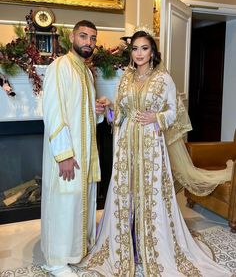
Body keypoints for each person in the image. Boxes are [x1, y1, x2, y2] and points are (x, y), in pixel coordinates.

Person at [76, 30, 232, 276]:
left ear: (152, 52)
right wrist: (109, 107)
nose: (139, 53)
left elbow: (175, 113)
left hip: (151, 144)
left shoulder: (163, 79)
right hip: (126, 145)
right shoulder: (125, 78)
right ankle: (128, 245)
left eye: (144, 48)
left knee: (151, 194)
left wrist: (157, 117)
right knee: (126, 193)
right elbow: (121, 114)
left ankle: (152, 245)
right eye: (135, 48)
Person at [41, 20, 105, 277]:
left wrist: (97, 111)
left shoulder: (87, 72)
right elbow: (54, 113)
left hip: (87, 153)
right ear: (72, 37)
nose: (88, 42)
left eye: (92, 38)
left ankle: (75, 253)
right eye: (83, 36)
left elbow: (82, 113)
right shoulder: (60, 67)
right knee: (63, 203)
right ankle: (55, 260)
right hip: (68, 154)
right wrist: (64, 155)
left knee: (79, 202)